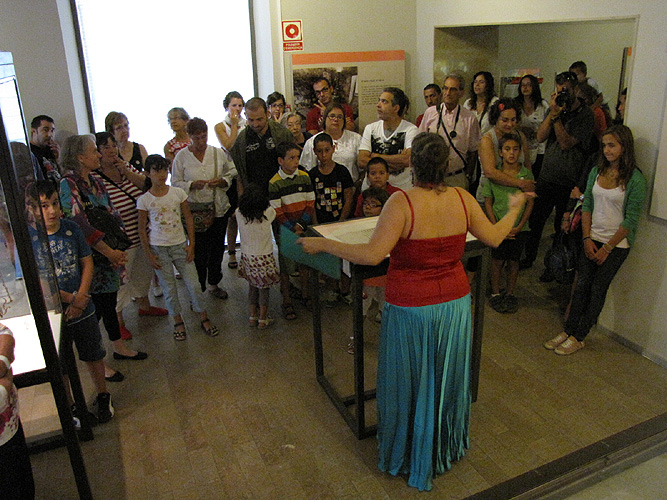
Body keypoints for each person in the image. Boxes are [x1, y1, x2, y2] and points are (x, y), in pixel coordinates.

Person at [298, 132, 531, 491]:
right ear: (445, 165)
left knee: (409, 381)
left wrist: (324, 243)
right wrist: (514, 208)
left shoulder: (402, 202)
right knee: (443, 379)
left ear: (412, 164)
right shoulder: (462, 198)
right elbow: (495, 238)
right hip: (455, 306)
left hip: (411, 307)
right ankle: (441, 447)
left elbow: (372, 255)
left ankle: (409, 450)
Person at [544, 125, 646, 355]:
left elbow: (630, 220)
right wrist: (587, 237)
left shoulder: (635, 180)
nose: (607, 150)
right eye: (604, 145)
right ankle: (568, 330)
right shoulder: (597, 171)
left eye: (612, 145)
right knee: (581, 286)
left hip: (616, 245)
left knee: (597, 289)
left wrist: (607, 248)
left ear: (624, 147)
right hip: (592, 237)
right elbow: (587, 204)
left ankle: (579, 335)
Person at [26, 180, 114, 423]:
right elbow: (39, 279)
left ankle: (103, 394)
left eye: (54, 203)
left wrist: (81, 297)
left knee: (92, 352)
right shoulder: (30, 238)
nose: (52, 211)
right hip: (55, 309)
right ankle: (72, 406)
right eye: (44, 206)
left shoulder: (71, 228)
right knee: (61, 361)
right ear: (32, 208)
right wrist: (71, 299)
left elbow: (86, 261)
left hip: (82, 304)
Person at [60, 134, 146, 380]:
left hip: (108, 254)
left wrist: (117, 248)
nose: (99, 154)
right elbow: (78, 222)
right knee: (93, 310)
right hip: (90, 258)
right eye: (93, 151)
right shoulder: (68, 184)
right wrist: (109, 252)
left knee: (109, 302)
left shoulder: (96, 181)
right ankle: (98, 361)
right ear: (80, 157)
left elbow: (111, 214)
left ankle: (118, 347)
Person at [93, 132, 166, 341]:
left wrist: (125, 170)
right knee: (121, 280)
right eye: (105, 147)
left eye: (113, 146)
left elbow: (146, 185)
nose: (111, 151)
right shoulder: (95, 178)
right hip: (119, 239)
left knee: (142, 272)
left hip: (141, 233)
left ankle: (145, 306)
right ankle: (119, 322)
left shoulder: (125, 167)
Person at [137, 155, 219, 339]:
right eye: (156, 170)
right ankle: (177, 321)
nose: (162, 174)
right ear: (147, 173)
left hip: (180, 246)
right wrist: (149, 254)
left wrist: (192, 245)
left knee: (194, 285)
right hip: (158, 248)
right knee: (169, 289)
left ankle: (203, 316)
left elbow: (188, 218)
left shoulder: (177, 193)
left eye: (165, 170)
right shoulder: (144, 200)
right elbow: (141, 229)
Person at [521, 71, 595, 274]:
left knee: (560, 228)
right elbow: (540, 136)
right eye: (559, 89)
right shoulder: (555, 110)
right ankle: (528, 257)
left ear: (576, 89)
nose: (563, 94)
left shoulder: (586, 115)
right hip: (547, 177)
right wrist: (553, 113)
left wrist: (556, 119)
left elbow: (565, 143)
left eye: (567, 90)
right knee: (536, 221)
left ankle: (553, 267)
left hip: (568, 181)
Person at [172, 118, 237, 299]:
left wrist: (222, 181)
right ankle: (198, 288)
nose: (201, 142)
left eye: (204, 137)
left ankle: (214, 283)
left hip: (218, 209)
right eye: (197, 138)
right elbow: (175, 183)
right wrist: (191, 185)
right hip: (195, 212)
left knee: (217, 249)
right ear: (189, 137)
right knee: (198, 252)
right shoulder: (181, 157)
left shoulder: (217, 153)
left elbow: (230, 172)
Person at [483, 134, 534, 313]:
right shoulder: (495, 174)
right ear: (500, 152)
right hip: (499, 227)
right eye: (507, 149)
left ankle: (510, 293)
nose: (511, 153)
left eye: (515, 149)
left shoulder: (526, 174)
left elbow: (530, 203)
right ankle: (496, 292)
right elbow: (488, 201)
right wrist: (496, 226)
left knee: (514, 261)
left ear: (520, 152)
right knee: (497, 260)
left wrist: (519, 226)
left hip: (519, 228)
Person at [269, 141, 316, 320]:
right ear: (280, 160)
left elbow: (310, 203)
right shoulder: (274, 183)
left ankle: (305, 294)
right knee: (286, 267)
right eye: (291, 158)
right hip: (285, 231)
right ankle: (287, 300)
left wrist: (301, 225)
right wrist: (291, 228)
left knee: (304, 263)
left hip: (302, 227)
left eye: (297, 157)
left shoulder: (304, 177)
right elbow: (277, 210)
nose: (296, 161)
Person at [419, 75, 482, 190]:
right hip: (432, 176)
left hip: (456, 177)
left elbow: (473, 151)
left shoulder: (469, 118)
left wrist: (468, 175)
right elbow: (420, 143)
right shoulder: (430, 113)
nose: (448, 93)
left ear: (461, 93)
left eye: (453, 89)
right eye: (445, 88)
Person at [236, 184, 281, 329]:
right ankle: (262, 318)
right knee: (264, 289)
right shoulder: (269, 213)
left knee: (252, 287)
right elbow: (274, 211)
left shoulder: (239, 213)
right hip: (264, 257)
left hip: (248, 257)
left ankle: (252, 316)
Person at [229, 97, 293, 196]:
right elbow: (240, 175)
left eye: (259, 119)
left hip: (281, 191)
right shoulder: (241, 140)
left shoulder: (282, 134)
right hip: (254, 195)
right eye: (251, 120)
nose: (255, 124)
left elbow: (293, 163)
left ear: (267, 114)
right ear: (245, 115)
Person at [358, 87, 418, 191]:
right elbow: (362, 161)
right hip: (372, 190)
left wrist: (376, 156)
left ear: (396, 108)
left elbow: (407, 159)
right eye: (379, 100)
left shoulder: (410, 130)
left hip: (401, 189)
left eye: (384, 101)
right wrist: (396, 160)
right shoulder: (370, 128)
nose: (378, 105)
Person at [476, 98, 533, 205]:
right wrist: (520, 183)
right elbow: (490, 172)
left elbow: (527, 164)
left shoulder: (520, 136)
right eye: (505, 120)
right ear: (496, 119)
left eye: (513, 120)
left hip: (515, 197)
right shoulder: (487, 139)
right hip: (491, 198)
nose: (510, 124)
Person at [0, 325, 35, 500]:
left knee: (21, 483)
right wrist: (3, 386)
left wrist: (2, 361)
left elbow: (3, 332)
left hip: (8, 427)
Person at [214, 91, 247, 270]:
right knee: (232, 217)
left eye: (240, 105)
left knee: (247, 214)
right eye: (234, 105)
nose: (237, 109)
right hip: (230, 173)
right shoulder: (220, 126)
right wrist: (234, 125)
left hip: (245, 172)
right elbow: (229, 145)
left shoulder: (247, 124)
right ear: (227, 106)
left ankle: (248, 251)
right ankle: (232, 251)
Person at [300, 102, 362, 183]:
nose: (336, 120)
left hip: (351, 185)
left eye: (340, 117)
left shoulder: (356, 138)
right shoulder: (312, 142)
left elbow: (362, 168)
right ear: (324, 118)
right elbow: (307, 170)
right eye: (332, 116)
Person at [309, 133, 354, 224]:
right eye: (319, 151)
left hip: (340, 219)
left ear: (333, 149)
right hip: (320, 220)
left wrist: (341, 221)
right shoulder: (312, 174)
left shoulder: (342, 171)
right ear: (314, 151)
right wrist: (315, 224)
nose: (324, 155)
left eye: (327, 150)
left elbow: (348, 199)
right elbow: (311, 202)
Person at [514, 74, 549, 179]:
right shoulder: (515, 104)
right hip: (520, 146)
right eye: (523, 85)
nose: (525, 88)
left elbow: (548, 124)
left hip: (539, 147)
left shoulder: (542, 105)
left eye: (529, 85)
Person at [464, 71, 499, 136]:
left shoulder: (495, 102)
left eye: (481, 82)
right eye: (475, 82)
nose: (477, 85)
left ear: (488, 85)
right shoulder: (468, 103)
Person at [29, 114, 61, 182]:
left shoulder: (52, 149)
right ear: (34, 131)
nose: (50, 134)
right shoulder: (29, 153)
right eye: (45, 130)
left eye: (52, 130)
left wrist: (58, 158)